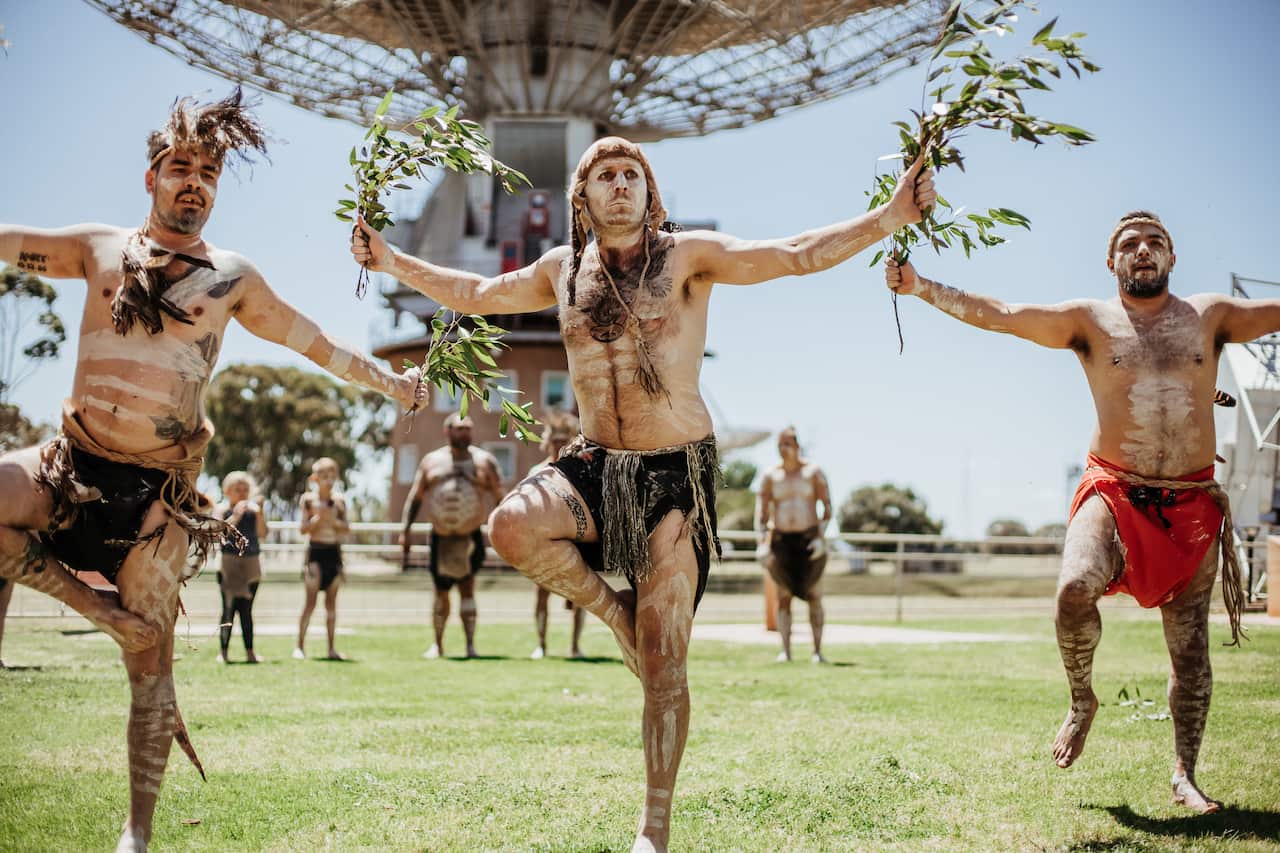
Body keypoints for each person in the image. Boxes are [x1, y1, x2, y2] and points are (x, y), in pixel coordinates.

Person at [354, 135, 933, 851]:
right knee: (510, 528)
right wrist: (389, 259)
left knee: (665, 664)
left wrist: (889, 215)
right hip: (595, 461)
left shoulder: (687, 257)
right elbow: (474, 294)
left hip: (673, 474)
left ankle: (652, 829)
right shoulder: (561, 270)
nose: (621, 184)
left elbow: (790, 253)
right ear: (583, 197)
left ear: (649, 192)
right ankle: (615, 615)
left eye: (633, 174)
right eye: (606, 175)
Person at [0, 89, 424, 851]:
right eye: (179, 167)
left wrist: (394, 384)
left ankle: (136, 832)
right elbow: (9, 241)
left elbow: (315, 343)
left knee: (150, 669)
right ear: (151, 177)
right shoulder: (98, 249)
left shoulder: (231, 278)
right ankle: (95, 611)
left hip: (154, 502)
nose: (194, 181)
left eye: (208, 172)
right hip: (68, 467)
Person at [885, 210, 1268, 815]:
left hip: (1191, 504)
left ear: (1172, 258)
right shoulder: (1090, 322)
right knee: (1072, 587)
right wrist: (921, 285)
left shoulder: (1210, 317)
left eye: (1155, 243)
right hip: (1113, 489)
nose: (1142, 250)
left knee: (1190, 649)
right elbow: (1004, 316)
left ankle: (1184, 775)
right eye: (1129, 244)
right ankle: (1082, 699)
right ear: (1111, 262)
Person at [401, 413, 503, 659]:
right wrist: (405, 532)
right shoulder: (431, 461)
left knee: (468, 589)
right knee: (440, 592)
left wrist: (504, 533)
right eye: (459, 428)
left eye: (468, 428)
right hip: (441, 536)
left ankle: (470, 646)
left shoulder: (485, 462)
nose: (465, 433)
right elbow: (416, 497)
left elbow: (501, 498)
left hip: (470, 537)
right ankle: (438, 644)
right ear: (447, 431)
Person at [756, 427, 833, 663]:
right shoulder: (771, 476)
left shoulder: (813, 472)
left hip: (809, 540)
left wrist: (820, 537)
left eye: (787, 443)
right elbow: (761, 514)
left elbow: (827, 510)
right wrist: (761, 544)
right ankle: (786, 651)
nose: (782, 449)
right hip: (781, 541)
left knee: (814, 595)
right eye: (779, 444)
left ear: (797, 445)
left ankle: (817, 651)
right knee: (784, 596)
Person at [527, 410, 587, 660]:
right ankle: (541, 644)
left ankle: (574, 646)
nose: (559, 444)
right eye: (555, 439)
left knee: (582, 595)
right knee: (542, 593)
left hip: (575, 543)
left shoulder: (580, 470)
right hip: (543, 544)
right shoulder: (536, 471)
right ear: (547, 441)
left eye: (564, 439)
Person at [294, 457, 350, 661]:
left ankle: (331, 648)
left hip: (333, 554)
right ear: (315, 478)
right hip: (315, 554)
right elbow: (302, 529)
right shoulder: (308, 500)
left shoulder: (340, 500)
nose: (328, 480)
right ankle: (299, 646)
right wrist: (318, 519)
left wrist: (332, 520)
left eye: (332, 475)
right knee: (310, 603)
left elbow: (346, 528)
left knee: (331, 605)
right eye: (324, 476)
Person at [214, 470, 267, 664]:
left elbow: (262, 533)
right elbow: (219, 533)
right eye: (238, 489)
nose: (243, 492)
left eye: (246, 489)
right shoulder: (222, 510)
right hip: (229, 563)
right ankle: (224, 652)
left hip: (251, 563)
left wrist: (260, 513)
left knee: (247, 610)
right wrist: (236, 515)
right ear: (227, 491)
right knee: (228, 609)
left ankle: (250, 652)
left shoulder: (254, 512)